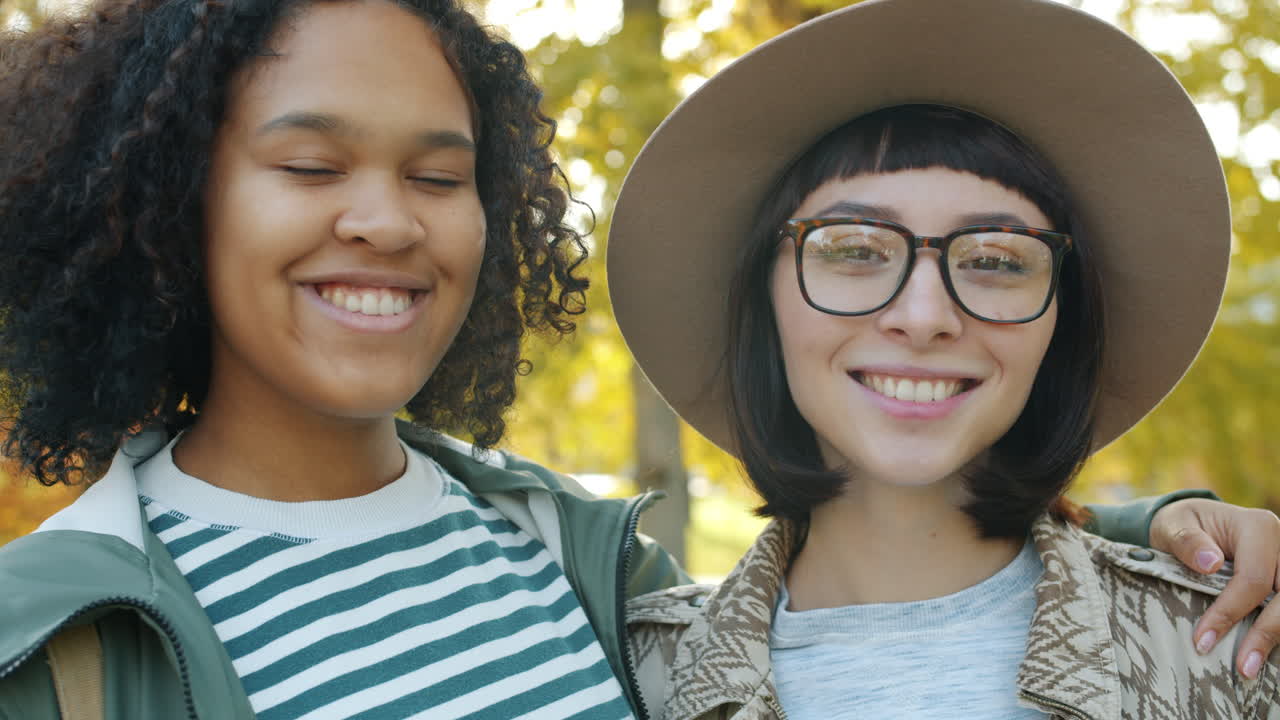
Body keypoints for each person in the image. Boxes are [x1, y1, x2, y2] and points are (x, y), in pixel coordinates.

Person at [0, 1, 1272, 719]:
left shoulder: (577, 567)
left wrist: (1179, 534)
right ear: (168, 201)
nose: (387, 221)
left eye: (440, 176)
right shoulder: (61, 646)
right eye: (310, 165)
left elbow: (901, 560)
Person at [610, 0, 1280, 717]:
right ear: (761, 300)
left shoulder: (1228, 654)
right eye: (855, 250)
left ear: (1061, 319)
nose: (924, 317)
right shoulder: (625, 679)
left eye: (994, 260)